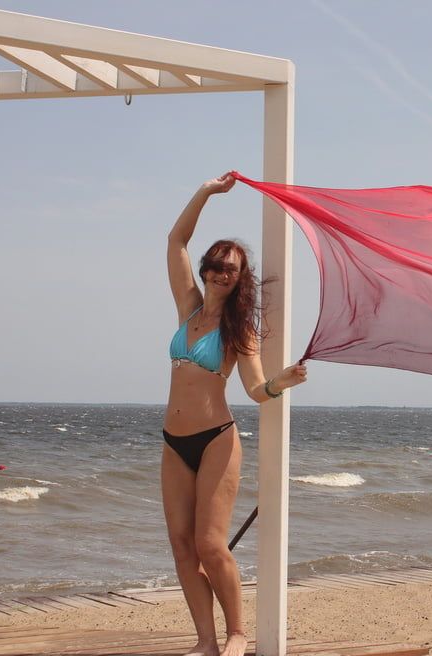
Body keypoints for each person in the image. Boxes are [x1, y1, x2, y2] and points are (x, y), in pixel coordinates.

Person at [163, 172, 307, 656]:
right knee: (182, 548)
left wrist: (279, 384)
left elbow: (253, 388)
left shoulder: (236, 328)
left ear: (240, 278)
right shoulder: (187, 309)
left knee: (209, 544)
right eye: (217, 264)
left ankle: (237, 633)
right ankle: (205, 640)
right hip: (172, 441)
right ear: (205, 268)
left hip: (216, 439)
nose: (222, 272)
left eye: (233, 269)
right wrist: (204, 191)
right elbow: (176, 239)